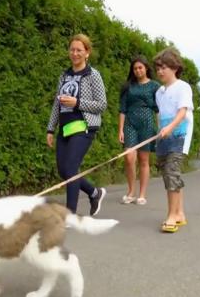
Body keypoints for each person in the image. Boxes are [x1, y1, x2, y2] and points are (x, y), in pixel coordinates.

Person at [46, 34, 108, 216]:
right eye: (72, 49)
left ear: (87, 53)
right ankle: (94, 193)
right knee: (64, 171)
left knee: (71, 169)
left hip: (84, 126)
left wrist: (77, 102)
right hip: (65, 128)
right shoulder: (64, 76)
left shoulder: (93, 75)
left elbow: (102, 104)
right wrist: (51, 128)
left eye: (79, 50)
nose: (75, 53)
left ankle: (69, 214)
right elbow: (57, 104)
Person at [153, 47, 194, 233]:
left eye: (164, 68)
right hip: (163, 137)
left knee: (171, 172)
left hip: (179, 135)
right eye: (158, 68)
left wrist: (170, 128)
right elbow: (160, 115)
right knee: (170, 174)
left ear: (175, 68)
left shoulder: (183, 87)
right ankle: (180, 213)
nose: (160, 71)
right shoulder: (159, 92)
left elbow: (182, 111)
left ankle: (172, 215)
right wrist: (160, 129)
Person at [118, 56, 160, 205]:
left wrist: (160, 128)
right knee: (129, 158)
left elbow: (158, 109)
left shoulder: (155, 86)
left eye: (140, 67)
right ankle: (131, 191)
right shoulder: (128, 86)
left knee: (144, 159)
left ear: (146, 68)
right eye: (135, 68)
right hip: (130, 123)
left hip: (147, 124)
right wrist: (120, 129)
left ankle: (142, 194)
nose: (137, 70)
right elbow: (122, 109)